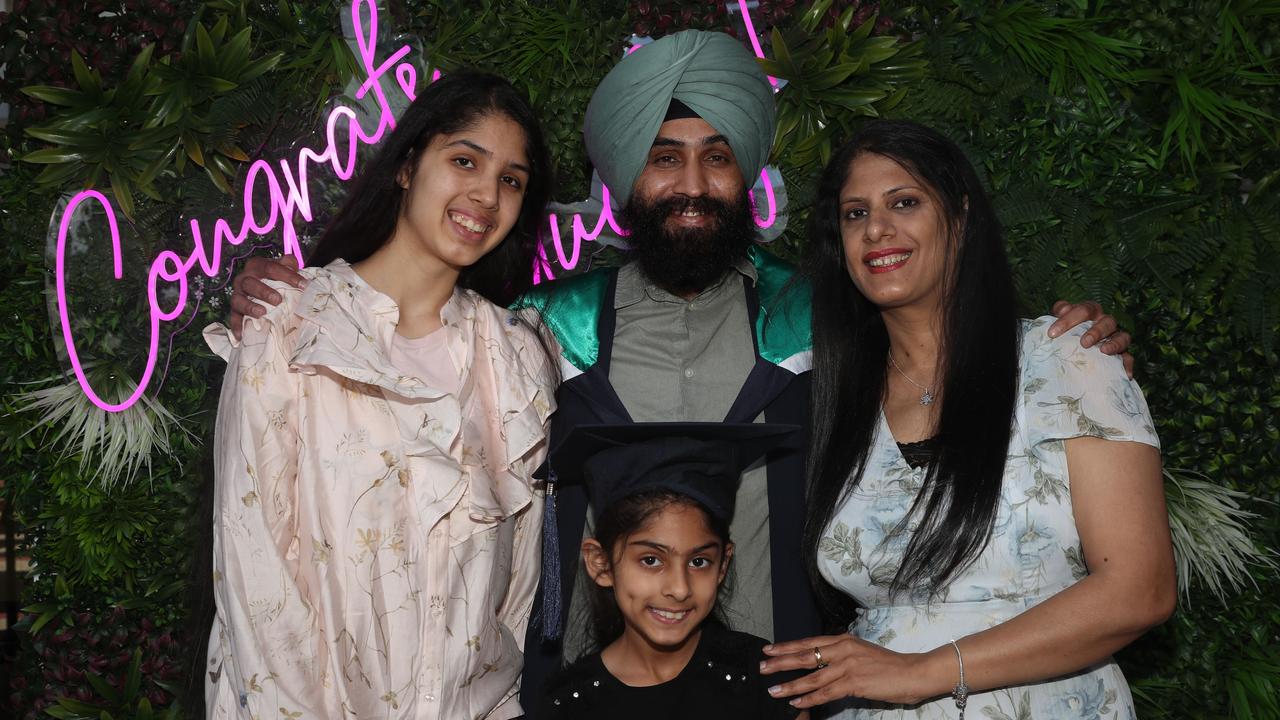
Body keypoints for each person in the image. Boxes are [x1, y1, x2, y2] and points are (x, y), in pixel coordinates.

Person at [221, 30, 1134, 716]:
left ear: (749, 176)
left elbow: (952, 324)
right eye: (664, 158)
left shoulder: (828, 319)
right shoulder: (539, 332)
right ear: (626, 179)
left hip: (786, 697)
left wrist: (1070, 338)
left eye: (717, 156)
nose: (692, 182)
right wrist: (279, 293)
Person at [758, 120, 1175, 718]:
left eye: (904, 202)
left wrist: (922, 673)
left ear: (960, 216)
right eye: (855, 214)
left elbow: (1142, 589)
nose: (877, 228)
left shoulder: (1063, 358)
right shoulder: (833, 401)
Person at [202, 71, 557, 718]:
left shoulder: (515, 361)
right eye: (464, 160)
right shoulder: (290, 329)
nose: (485, 193)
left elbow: (514, 594)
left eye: (511, 179)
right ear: (407, 166)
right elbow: (254, 575)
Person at [536, 422, 805, 720]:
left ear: (723, 565)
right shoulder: (570, 706)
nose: (679, 588)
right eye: (651, 560)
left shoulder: (765, 677)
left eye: (699, 561)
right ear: (601, 563)